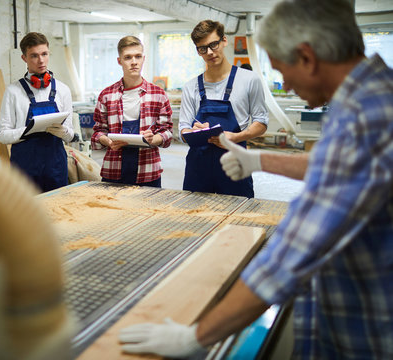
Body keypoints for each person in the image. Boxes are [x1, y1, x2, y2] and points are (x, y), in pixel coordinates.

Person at [119, 0, 393, 358]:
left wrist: (196, 337)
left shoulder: (367, 119)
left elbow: (290, 254)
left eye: (283, 72)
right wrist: (259, 159)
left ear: (307, 57)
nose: (288, 88)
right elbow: (335, 167)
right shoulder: (371, 98)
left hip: (364, 333)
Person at [179, 20, 268, 197]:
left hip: (235, 163)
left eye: (214, 44)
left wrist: (236, 137)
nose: (210, 52)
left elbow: (261, 122)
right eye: (203, 48)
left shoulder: (250, 80)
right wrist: (193, 131)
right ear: (198, 51)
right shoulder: (190, 87)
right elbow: (183, 129)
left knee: (238, 218)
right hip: (199, 167)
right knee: (194, 219)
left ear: (224, 41)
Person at [91, 36, 173, 187]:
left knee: (148, 211)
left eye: (138, 56)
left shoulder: (158, 94)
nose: (134, 62)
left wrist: (152, 140)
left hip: (148, 171)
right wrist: (107, 141)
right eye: (128, 57)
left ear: (143, 58)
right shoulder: (107, 95)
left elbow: (167, 132)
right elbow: (97, 132)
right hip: (114, 170)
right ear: (119, 61)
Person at [0, 32, 74, 192]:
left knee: (59, 212)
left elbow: (70, 135)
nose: (41, 60)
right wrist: (28, 130)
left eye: (44, 54)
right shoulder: (13, 91)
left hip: (56, 167)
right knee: (26, 215)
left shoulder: (62, 90)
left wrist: (63, 132)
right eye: (34, 56)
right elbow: (2, 135)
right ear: (24, 58)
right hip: (24, 170)